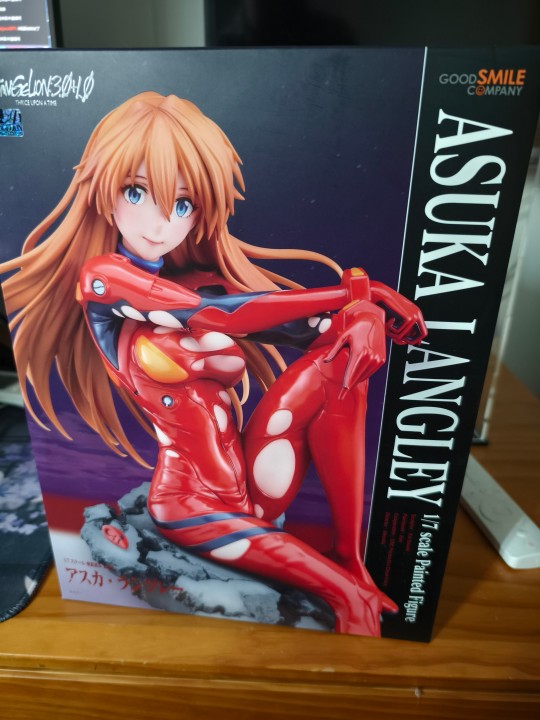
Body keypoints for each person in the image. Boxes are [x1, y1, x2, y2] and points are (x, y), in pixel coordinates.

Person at [0, 92, 426, 636]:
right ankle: (346, 590)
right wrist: (355, 293)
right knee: (345, 599)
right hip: (190, 504)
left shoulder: (203, 281)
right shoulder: (104, 281)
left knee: (344, 357)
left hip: (255, 483)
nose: (159, 224)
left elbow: (311, 328)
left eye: (182, 204)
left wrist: (362, 315)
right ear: (105, 196)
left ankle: (351, 554)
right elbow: (216, 317)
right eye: (137, 192)